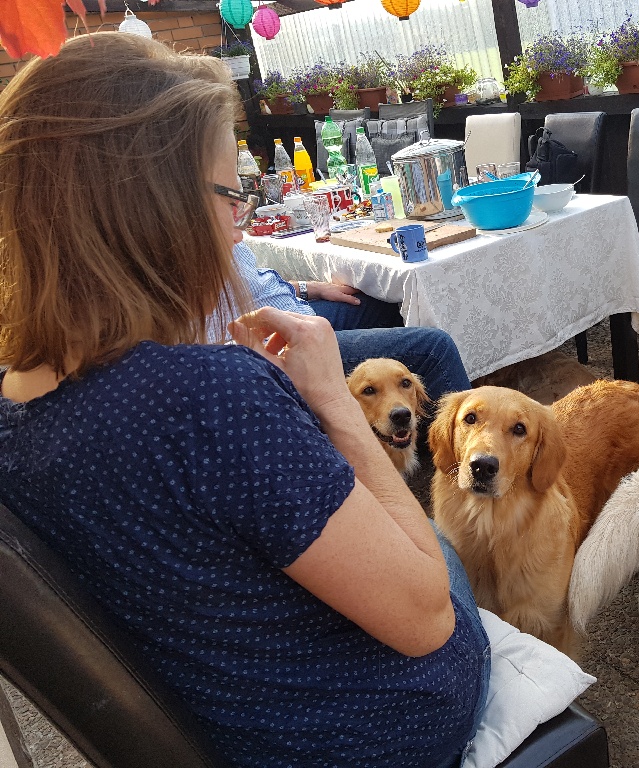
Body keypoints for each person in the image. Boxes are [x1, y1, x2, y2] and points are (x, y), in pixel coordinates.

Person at [0, 32, 488, 768]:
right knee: (443, 547)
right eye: (231, 194)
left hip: (231, 717)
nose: (242, 221)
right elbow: (426, 620)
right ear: (152, 208)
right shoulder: (206, 397)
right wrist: (329, 400)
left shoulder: (16, 413)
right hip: (376, 729)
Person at [228, 242, 473, 401]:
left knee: (389, 303)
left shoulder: (226, 225)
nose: (240, 234)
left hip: (298, 311)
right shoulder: (209, 236)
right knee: (435, 347)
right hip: (276, 343)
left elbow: (255, 286)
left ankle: (408, 431)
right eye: (231, 204)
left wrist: (310, 288)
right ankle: (464, 454)